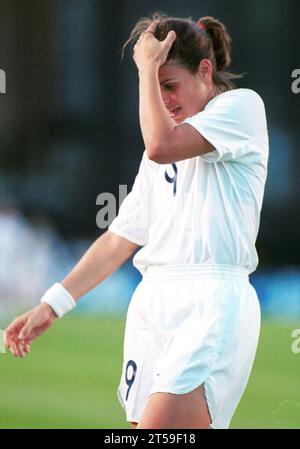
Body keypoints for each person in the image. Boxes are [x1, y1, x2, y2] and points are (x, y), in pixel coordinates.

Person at [4, 13, 269, 429]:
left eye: (169, 85)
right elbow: (121, 238)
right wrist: (52, 304)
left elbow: (161, 144)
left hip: (211, 303)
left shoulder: (241, 108)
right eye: (153, 85)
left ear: (205, 70)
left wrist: (146, 67)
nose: (162, 99)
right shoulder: (160, 147)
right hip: (152, 305)